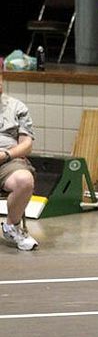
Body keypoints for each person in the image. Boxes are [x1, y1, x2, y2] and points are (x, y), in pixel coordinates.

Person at [0, 58, 38, 251]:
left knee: (25, 180)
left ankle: (11, 226)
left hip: (8, 162)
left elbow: (26, 144)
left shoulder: (17, 107)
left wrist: (6, 154)